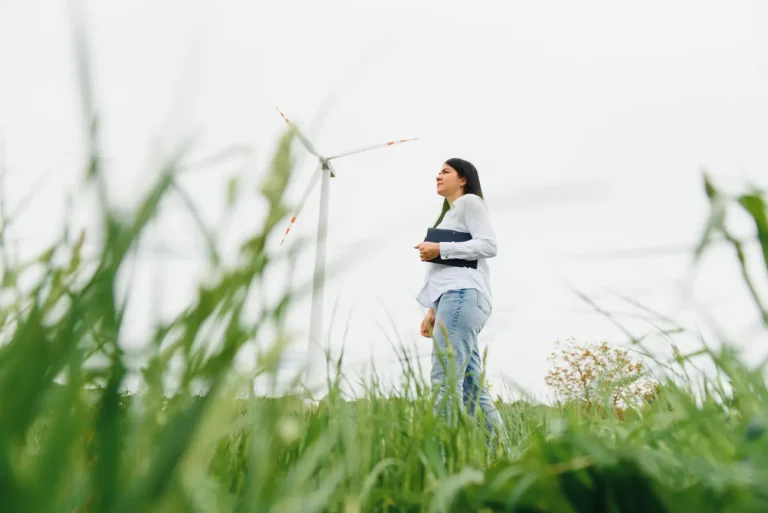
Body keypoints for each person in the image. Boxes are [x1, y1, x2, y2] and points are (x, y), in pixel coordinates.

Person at [413, 157, 505, 445]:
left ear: (462, 178)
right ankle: (503, 455)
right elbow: (446, 270)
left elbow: (489, 245)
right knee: (470, 387)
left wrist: (440, 247)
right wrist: (432, 310)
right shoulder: (450, 215)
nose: (438, 176)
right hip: (454, 300)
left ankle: (439, 465)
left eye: (445, 171)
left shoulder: (469, 203)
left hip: (462, 297)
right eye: (437, 172)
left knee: (444, 381)